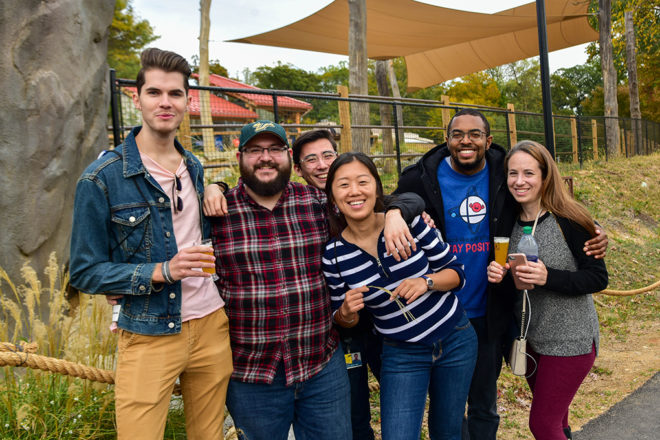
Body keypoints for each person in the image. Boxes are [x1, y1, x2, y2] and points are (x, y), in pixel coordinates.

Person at [394, 108, 608, 439]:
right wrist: (395, 212)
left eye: (475, 134)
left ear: (488, 140)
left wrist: (592, 231)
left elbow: (589, 267)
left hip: (496, 318)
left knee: (491, 407)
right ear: (447, 139)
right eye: (457, 134)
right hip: (445, 313)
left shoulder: (502, 178)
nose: (466, 141)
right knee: (447, 411)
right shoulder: (420, 178)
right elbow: (399, 198)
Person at [209, 121, 423, 440]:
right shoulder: (217, 214)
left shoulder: (317, 203)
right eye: (255, 150)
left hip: (320, 365)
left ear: (286, 159)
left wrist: (395, 213)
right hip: (252, 373)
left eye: (275, 150)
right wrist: (215, 186)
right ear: (239, 157)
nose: (265, 158)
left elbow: (382, 200)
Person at [69, 48, 232, 440]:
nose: (165, 102)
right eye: (155, 92)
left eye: (175, 94)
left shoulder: (193, 166)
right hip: (148, 330)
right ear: (136, 98)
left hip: (212, 323)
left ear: (186, 102)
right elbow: (85, 271)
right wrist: (162, 270)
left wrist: (216, 184)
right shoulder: (101, 178)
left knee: (208, 435)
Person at [322, 152, 477, 440]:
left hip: (455, 339)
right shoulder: (334, 255)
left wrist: (426, 282)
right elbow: (340, 317)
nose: (354, 191)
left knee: (447, 430)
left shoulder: (410, 224)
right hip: (401, 352)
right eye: (343, 185)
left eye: (362, 182)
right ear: (332, 197)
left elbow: (457, 274)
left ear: (377, 188)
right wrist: (345, 313)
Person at [487, 140, 608, 440]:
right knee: (558, 423)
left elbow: (597, 278)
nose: (519, 181)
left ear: (545, 176)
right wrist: (500, 275)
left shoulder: (571, 219)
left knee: (542, 424)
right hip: (532, 342)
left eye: (528, 173)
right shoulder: (507, 225)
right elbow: (515, 286)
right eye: (512, 173)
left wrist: (547, 276)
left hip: (571, 341)